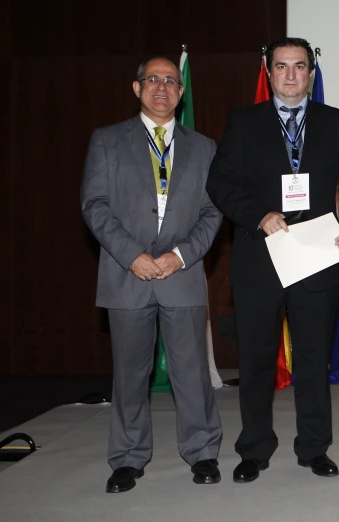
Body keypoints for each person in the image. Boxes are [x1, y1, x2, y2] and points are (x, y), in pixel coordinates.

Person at [206, 38, 339, 483]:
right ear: (269, 72)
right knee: (257, 358)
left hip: (317, 257)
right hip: (260, 256)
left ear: (311, 74)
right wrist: (257, 215)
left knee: (314, 359)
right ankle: (254, 449)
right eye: (282, 67)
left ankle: (314, 448)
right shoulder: (244, 123)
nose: (292, 75)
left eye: (300, 67)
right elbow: (220, 185)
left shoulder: (336, 123)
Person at [81, 57, 223, 492]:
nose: (162, 87)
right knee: (129, 374)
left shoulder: (204, 147)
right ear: (137, 88)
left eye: (171, 82)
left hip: (182, 272)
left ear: (181, 94)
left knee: (192, 373)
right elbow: (94, 205)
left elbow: (213, 211)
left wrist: (181, 256)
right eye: (153, 80)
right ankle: (127, 458)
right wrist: (132, 256)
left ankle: (202, 453)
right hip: (128, 274)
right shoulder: (106, 141)